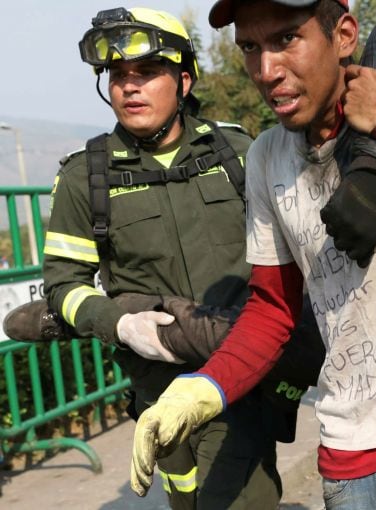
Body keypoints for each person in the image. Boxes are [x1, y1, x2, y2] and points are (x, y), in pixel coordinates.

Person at [129, 1, 376, 509]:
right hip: (350, 455)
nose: (266, 70)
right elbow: (273, 310)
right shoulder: (267, 157)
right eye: (251, 48)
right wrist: (200, 391)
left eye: (286, 40)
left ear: (343, 35)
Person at [41, 7, 309, 508]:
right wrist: (120, 326)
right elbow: (62, 285)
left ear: (183, 80)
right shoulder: (85, 177)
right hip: (156, 390)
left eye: (146, 73)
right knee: (185, 496)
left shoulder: (236, 152)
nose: (130, 88)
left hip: (239, 379)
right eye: (118, 76)